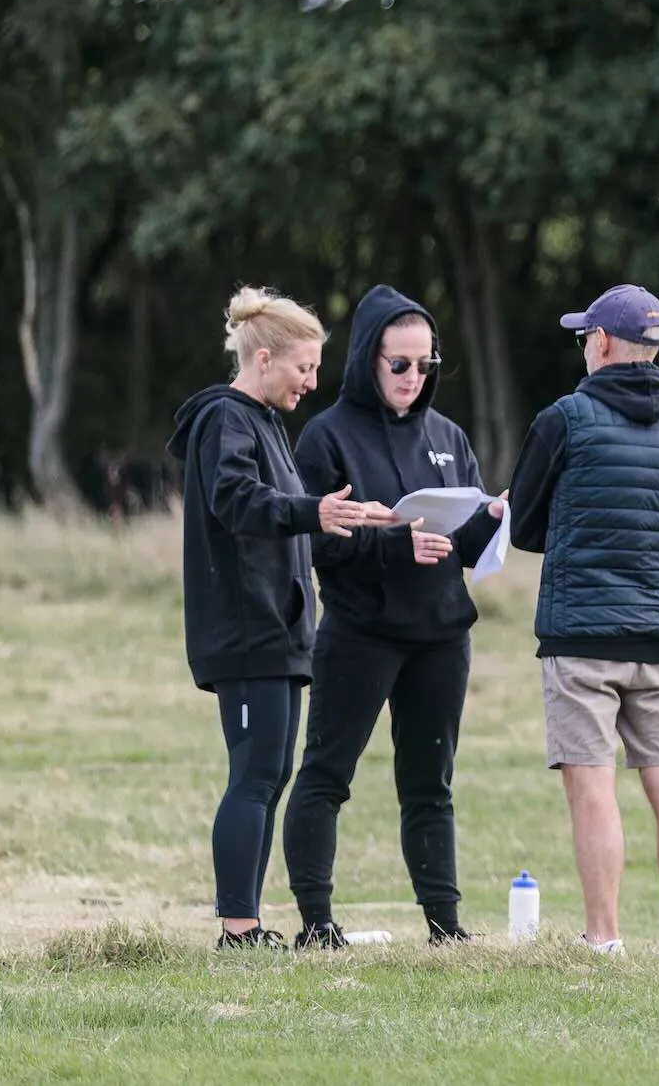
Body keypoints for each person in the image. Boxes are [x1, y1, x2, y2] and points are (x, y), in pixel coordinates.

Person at [170, 286, 394, 950]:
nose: (312, 383)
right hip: (245, 633)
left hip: (280, 633)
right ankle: (238, 932)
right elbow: (240, 502)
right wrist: (311, 510)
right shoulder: (225, 421)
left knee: (271, 773)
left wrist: (351, 518)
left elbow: (292, 512)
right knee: (256, 773)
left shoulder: (264, 423)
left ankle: (249, 925)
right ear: (264, 359)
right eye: (304, 368)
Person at [282, 285, 506, 949]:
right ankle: (318, 927)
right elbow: (314, 541)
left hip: (441, 636)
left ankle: (446, 928)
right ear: (367, 360)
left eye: (425, 365)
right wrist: (392, 541)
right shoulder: (327, 437)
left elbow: (458, 544)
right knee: (327, 774)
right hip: (360, 633)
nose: (413, 378)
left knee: (430, 785)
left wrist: (490, 524)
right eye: (399, 364)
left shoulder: (449, 436)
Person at [508, 283, 659, 958]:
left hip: (583, 631)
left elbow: (529, 527)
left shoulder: (564, 418)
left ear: (600, 343)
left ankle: (605, 936)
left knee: (592, 784)